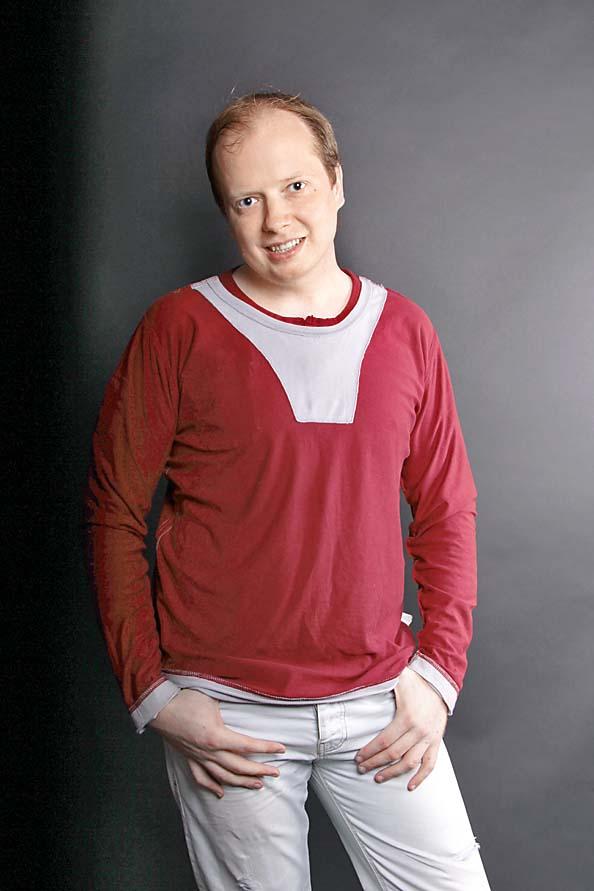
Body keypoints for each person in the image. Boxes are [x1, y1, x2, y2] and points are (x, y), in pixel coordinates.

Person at [83, 90, 491, 890]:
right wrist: (155, 693)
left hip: (381, 701)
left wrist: (440, 675)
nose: (276, 220)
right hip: (227, 714)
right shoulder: (177, 329)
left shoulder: (405, 329)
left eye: (296, 185)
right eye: (248, 199)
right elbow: (113, 513)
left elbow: (447, 509)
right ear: (226, 212)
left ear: (336, 182)